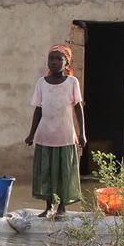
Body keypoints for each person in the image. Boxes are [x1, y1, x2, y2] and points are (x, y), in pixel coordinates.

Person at [24, 44, 86, 219]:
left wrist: (82, 133)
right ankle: (48, 206)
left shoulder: (72, 82)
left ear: (66, 63)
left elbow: (78, 108)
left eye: (58, 58)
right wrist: (31, 134)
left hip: (65, 134)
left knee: (63, 172)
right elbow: (38, 109)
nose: (54, 61)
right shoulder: (41, 82)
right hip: (45, 134)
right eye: (51, 58)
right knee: (46, 172)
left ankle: (62, 207)